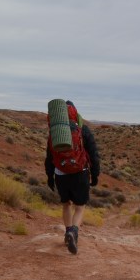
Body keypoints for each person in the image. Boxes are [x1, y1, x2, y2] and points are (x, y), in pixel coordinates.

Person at [45, 100, 100, 254]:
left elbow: (49, 157)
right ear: (74, 112)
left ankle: (68, 231)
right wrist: (95, 174)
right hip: (80, 172)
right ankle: (73, 232)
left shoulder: (55, 132)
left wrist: (50, 177)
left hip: (60, 174)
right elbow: (94, 154)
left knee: (66, 204)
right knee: (80, 207)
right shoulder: (82, 129)